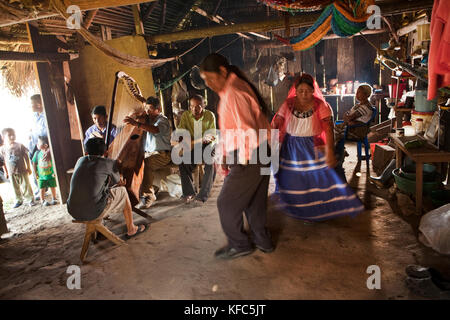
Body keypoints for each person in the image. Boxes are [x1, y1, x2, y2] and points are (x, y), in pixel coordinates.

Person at [200, 53, 273, 260]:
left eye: (210, 78)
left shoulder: (233, 92)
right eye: (205, 80)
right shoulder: (233, 88)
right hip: (262, 151)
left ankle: (240, 244)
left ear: (223, 71)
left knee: (226, 203)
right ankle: (263, 240)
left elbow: (247, 130)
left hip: (249, 155)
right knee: (255, 201)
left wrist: (241, 162)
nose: (209, 84)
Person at [271, 73, 364, 222]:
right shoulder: (288, 104)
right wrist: (272, 132)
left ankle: (313, 212)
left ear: (313, 90)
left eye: (307, 91)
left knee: (315, 179)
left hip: (311, 146)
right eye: (300, 91)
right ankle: (299, 208)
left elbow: (328, 129)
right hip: (291, 147)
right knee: (294, 179)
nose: (304, 94)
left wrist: (329, 151)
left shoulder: (321, 106)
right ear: (296, 90)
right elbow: (278, 121)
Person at [67, 138, 148, 239]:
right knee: (122, 191)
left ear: (86, 152)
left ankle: (99, 226)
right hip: (92, 212)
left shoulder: (80, 160)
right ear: (105, 152)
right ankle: (131, 229)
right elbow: (119, 183)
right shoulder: (108, 163)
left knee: (99, 191)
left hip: (72, 210)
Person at [123, 96, 172, 209]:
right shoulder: (149, 118)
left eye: (150, 109)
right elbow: (145, 108)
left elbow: (155, 130)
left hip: (163, 154)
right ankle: (145, 190)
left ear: (158, 109)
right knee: (135, 161)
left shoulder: (162, 120)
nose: (147, 112)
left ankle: (149, 195)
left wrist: (136, 124)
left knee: (146, 164)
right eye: (146, 109)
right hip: (151, 153)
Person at [177, 94, 217, 204]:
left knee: (210, 161)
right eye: (193, 106)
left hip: (208, 145)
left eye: (199, 106)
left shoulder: (210, 115)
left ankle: (203, 195)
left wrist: (198, 141)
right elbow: (181, 132)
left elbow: (211, 136)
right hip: (195, 145)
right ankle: (189, 193)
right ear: (190, 107)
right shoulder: (186, 116)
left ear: (204, 105)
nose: (195, 108)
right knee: (182, 160)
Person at [0, 128, 36, 208]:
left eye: (13, 134)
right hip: (11, 172)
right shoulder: (3, 149)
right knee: (14, 187)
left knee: (26, 185)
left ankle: (30, 199)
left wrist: (28, 167)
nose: (12, 137)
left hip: (22, 170)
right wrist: (6, 172)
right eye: (9, 135)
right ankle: (18, 200)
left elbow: (26, 157)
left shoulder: (20, 145)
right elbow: (3, 161)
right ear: (3, 137)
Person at [334, 84, 374, 150]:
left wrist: (349, 119)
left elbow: (349, 117)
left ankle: (338, 152)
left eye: (359, 92)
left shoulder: (366, 107)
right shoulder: (358, 105)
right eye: (356, 92)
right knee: (334, 130)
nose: (356, 94)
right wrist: (349, 119)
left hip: (357, 131)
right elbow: (346, 116)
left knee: (335, 133)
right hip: (352, 127)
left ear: (366, 94)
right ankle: (339, 151)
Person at [28, 94, 48, 198]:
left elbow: (46, 132)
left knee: (44, 165)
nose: (30, 106)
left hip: (43, 144)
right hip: (34, 144)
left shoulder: (46, 116)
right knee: (34, 165)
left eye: (32, 104)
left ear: (39, 104)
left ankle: (45, 187)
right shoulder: (35, 115)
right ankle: (39, 188)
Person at [31, 136, 58, 206]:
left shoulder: (50, 153)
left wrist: (55, 172)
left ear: (45, 145)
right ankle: (42, 200)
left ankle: (54, 198)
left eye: (38, 143)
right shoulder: (37, 153)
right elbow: (34, 163)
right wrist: (35, 172)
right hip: (41, 176)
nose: (37, 145)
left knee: (53, 187)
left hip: (51, 174)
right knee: (41, 188)